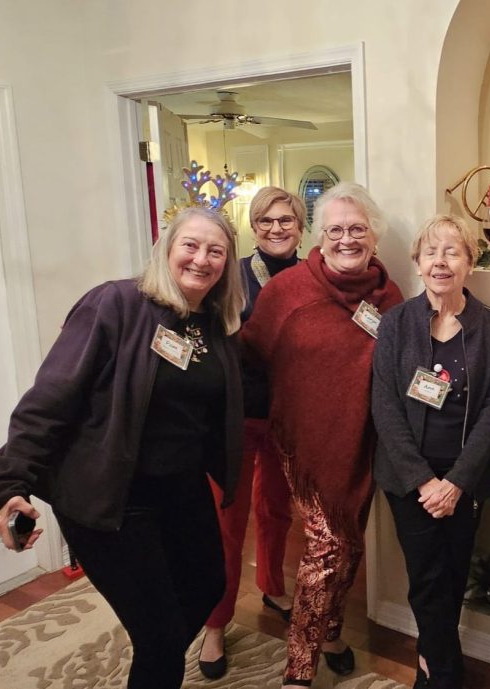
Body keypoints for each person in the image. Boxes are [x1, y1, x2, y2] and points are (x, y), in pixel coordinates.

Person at [0, 206, 245, 689]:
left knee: (208, 583)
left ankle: (155, 656)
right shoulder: (115, 304)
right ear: (166, 249)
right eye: (190, 244)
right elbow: (50, 397)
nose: (201, 259)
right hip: (111, 494)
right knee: (162, 637)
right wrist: (8, 485)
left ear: (228, 264)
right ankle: (158, 659)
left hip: (180, 488)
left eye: (216, 250)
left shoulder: (213, 324)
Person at [242, 181, 403, 688]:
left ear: (374, 236)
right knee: (326, 548)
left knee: (350, 543)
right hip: (304, 445)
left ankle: (332, 629)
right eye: (335, 229)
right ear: (320, 235)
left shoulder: (388, 294)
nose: (347, 239)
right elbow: (249, 355)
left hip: (362, 443)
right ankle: (299, 669)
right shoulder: (287, 291)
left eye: (358, 228)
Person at [372, 215, 490, 689]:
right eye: (431, 252)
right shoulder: (396, 322)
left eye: (452, 252)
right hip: (409, 478)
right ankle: (445, 675)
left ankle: (430, 663)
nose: (441, 262)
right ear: (418, 263)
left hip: (463, 478)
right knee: (427, 577)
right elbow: (384, 404)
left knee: (451, 576)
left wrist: (457, 481)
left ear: (471, 262)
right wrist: (424, 481)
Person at [198, 186, 305, 679]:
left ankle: (271, 585)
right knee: (228, 519)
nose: (277, 229)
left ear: (301, 226)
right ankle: (216, 623)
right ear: (253, 227)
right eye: (266, 221)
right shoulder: (233, 275)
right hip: (236, 416)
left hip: (289, 416)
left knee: (276, 509)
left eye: (286, 220)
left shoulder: (313, 277)